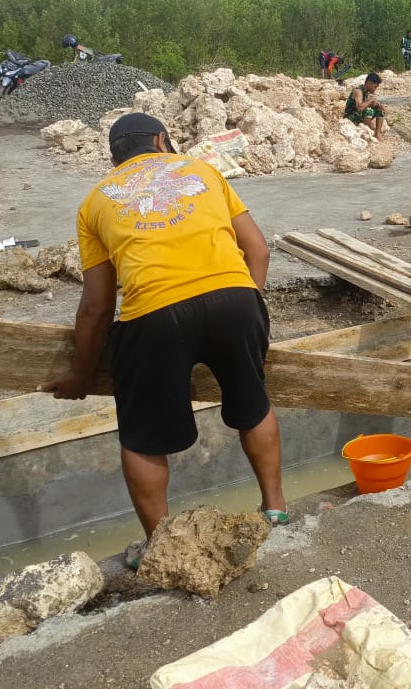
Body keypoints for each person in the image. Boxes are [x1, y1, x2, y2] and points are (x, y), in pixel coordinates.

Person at [40, 112, 288, 569]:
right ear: (161, 140)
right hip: (235, 297)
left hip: (154, 315)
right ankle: (275, 510)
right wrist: (246, 305)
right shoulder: (203, 171)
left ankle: (162, 546)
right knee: (254, 404)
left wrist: (80, 374)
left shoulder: (95, 202)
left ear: (114, 158)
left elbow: (97, 306)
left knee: (143, 440)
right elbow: (259, 250)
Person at [344, 72, 385, 138]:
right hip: (350, 116)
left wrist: (379, 105)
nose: (375, 89)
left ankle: (377, 134)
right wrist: (371, 100)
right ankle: (367, 133)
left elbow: (367, 104)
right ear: (369, 83)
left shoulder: (366, 92)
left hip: (358, 114)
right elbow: (360, 107)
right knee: (369, 111)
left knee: (380, 110)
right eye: (375, 87)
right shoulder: (358, 91)